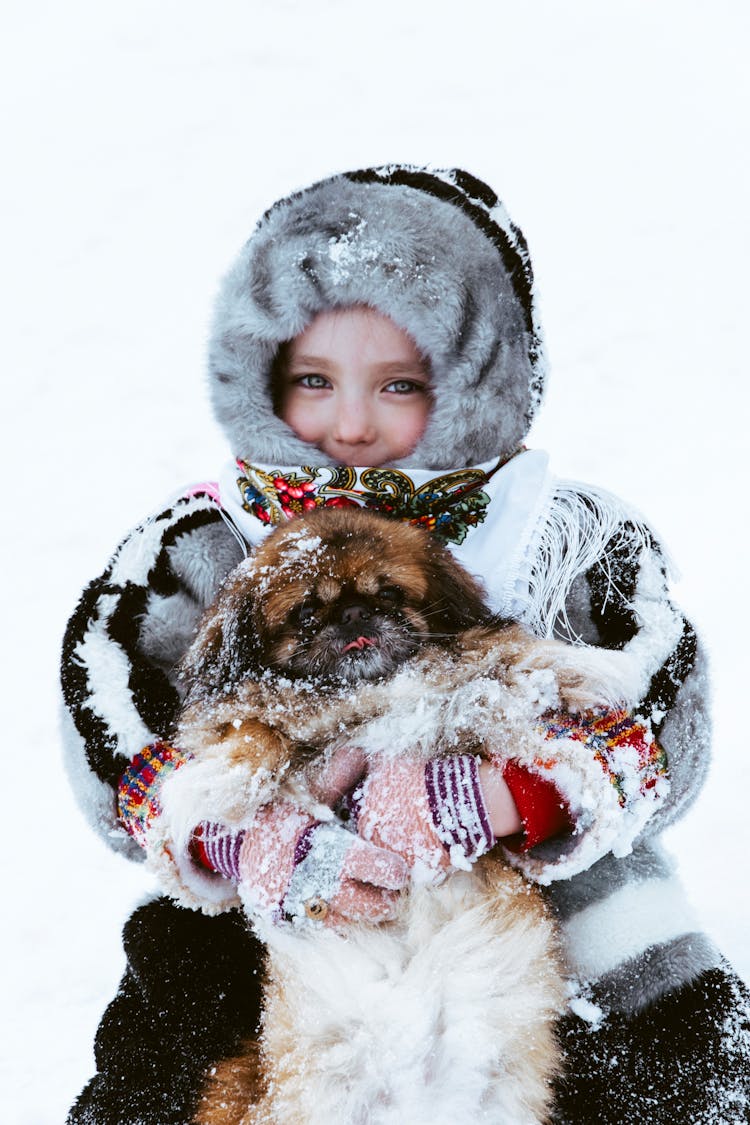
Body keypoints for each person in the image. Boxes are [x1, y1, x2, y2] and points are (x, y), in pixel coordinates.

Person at [61, 166, 750, 1124]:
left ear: (474, 383)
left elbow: (659, 709)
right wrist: (239, 835)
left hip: (543, 857)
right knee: (183, 1006)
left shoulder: (574, 537)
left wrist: (513, 794)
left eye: (399, 384)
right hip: (274, 865)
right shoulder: (200, 542)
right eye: (313, 381)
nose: (352, 424)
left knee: (655, 1000)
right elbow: (115, 723)